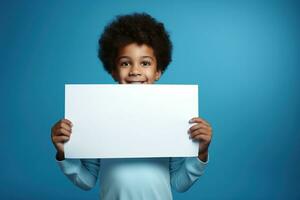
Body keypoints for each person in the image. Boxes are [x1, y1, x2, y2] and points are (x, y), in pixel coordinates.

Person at [51, 12, 213, 200]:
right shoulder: (97, 115)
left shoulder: (172, 115)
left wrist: (201, 151)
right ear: (113, 71)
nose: (135, 71)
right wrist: (64, 152)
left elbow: (179, 183)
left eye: (145, 63)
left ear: (158, 71)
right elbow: (87, 181)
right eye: (125, 63)